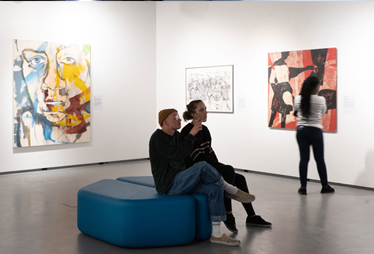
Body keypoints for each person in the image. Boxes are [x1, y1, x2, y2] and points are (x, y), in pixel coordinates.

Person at [149, 108, 256, 246]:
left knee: (214, 188)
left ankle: (217, 234)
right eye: (175, 117)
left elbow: (183, 155)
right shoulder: (157, 138)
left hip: (180, 179)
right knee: (202, 166)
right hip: (169, 184)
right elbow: (178, 154)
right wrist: (192, 134)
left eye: (178, 116)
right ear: (165, 122)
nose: (179, 119)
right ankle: (230, 189)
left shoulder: (175, 136)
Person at [181, 100, 272, 233]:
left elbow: (209, 152)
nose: (206, 112)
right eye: (201, 110)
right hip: (195, 171)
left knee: (239, 178)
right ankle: (228, 213)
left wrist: (219, 166)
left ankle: (251, 216)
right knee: (228, 171)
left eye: (205, 109)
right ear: (193, 114)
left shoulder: (205, 130)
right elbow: (197, 158)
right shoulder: (187, 131)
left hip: (207, 167)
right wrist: (219, 168)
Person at [13, 39, 91, 147]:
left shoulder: (96, 128)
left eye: (68, 60)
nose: (50, 84)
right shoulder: (27, 126)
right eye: (36, 60)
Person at [293, 76, 335, 195]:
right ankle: (325, 186)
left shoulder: (297, 99)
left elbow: (296, 111)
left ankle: (303, 187)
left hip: (301, 130)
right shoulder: (321, 100)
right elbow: (323, 111)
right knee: (320, 159)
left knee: (304, 159)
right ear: (315, 86)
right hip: (315, 130)